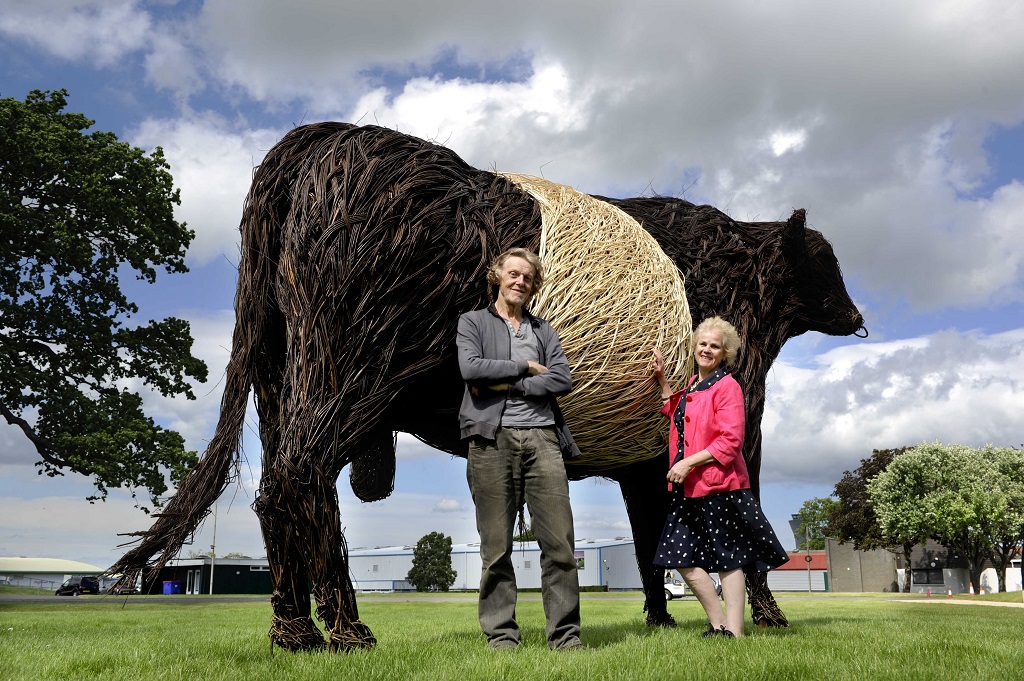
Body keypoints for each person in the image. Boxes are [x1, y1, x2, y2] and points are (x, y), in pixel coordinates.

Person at [456, 247, 583, 651]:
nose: (520, 282)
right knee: (496, 548)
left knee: (560, 544)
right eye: (513, 273)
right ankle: (502, 636)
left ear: (534, 285)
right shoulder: (473, 322)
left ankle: (565, 637)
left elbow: (563, 378)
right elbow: (471, 369)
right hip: (491, 440)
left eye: (527, 277)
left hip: (544, 438)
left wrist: (508, 382)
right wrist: (526, 368)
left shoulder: (543, 331)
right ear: (498, 275)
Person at [651, 316, 788, 638]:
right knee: (679, 556)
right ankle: (719, 623)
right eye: (703, 344)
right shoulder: (693, 387)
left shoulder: (727, 386)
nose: (707, 349)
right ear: (694, 346)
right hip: (691, 488)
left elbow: (730, 440)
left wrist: (687, 464)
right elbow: (676, 412)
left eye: (715, 346)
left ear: (725, 353)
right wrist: (663, 382)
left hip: (719, 485)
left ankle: (735, 633)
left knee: (729, 559)